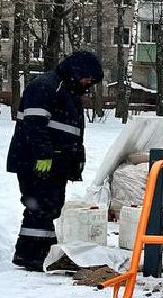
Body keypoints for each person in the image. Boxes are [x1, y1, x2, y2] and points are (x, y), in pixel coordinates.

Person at [6, 51, 105, 271]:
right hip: (37, 160)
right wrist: (43, 156)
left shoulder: (67, 91)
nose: (89, 83)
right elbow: (34, 124)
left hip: (55, 162)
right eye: (88, 78)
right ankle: (33, 256)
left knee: (49, 207)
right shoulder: (45, 86)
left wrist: (74, 160)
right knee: (39, 207)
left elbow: (69, 131)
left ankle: (38, 252)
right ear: (76, 71)